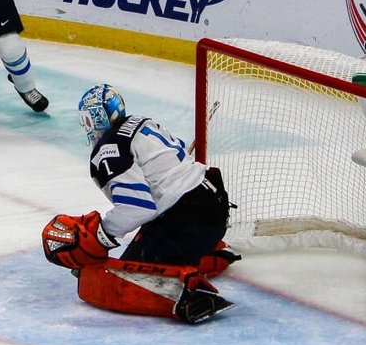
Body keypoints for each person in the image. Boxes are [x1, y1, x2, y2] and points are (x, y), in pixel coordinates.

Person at [41, 85, 239, 324]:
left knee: (124, 274)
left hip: (189, 218)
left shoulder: (107, 149)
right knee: (139, 251)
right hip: (214, 205)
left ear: (95, 118)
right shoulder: (141, 121)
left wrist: (101, 237)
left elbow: (138, 209)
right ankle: (210, 251)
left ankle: (190, 298)